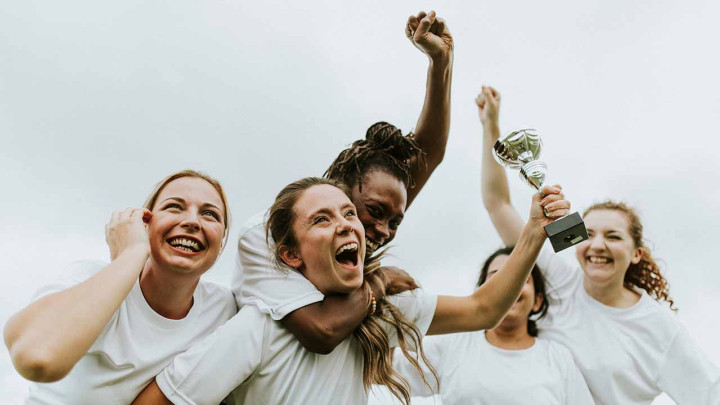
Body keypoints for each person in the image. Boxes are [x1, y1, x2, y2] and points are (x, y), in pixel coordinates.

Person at [133, 176, 570, 404]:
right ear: (290, 256)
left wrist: (533, 232)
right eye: (321, 220)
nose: (346, 224)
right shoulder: (259, 327)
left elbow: (483, 309)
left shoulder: (386, 311)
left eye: (348, 214)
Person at [476, 85, 720, 404]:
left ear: (636, 255)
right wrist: (491, 127)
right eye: (589, 234)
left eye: (614, 237)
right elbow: (497, 204)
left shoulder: (659, 330)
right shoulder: (559, 280)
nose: (598, 246)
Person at [234, 10, 454, 354]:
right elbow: (322, 331)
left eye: (395, 221)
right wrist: (381, 280)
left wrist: (440, 62)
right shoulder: (262, 234)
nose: (383, 230)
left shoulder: (363, 228)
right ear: (339, 187)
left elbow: (428, 154)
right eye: (374, 211)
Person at [3, 170, 237, 404]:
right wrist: (132, 253)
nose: (192, 221)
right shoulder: (90, 277)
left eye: (210, 214)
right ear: (144, 223)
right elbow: (36, 357)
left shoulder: (223, 311)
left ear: (222, 240)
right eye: (174, 207)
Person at [393, 246, 593, 404]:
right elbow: (381, 364)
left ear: (537, 301)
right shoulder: (454, 344)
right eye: (497, 276)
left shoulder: (558, 358)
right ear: (484, 291)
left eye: (522, 279)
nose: (510, 287)